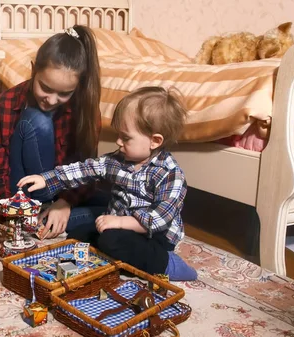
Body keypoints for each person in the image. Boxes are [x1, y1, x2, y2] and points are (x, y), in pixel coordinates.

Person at [17, 87, 198, 281]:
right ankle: (97, 260)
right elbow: (86, 169)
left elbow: (158, 219)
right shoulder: (119, 160)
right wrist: (47, 178)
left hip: (153, 237)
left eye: (126, 137)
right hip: (118, 225)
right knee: (78, 235)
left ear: (155, 141)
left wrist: (120, 223)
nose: (119, 142)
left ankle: (168, 264)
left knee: (111, 241)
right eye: (118, 134)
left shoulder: (171, 175)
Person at [0, 25, 108, 250]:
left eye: (64, 93)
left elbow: (88, 169)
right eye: (45, 88)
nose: (51, 100)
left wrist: (65, 202)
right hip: (22, 194)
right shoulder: (5, 102)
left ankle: (40, 221)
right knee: (36, 119)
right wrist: (8, 215)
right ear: (33, 70)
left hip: (61, 190)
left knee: (119, 204)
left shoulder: (85, 108)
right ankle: (24, 219)